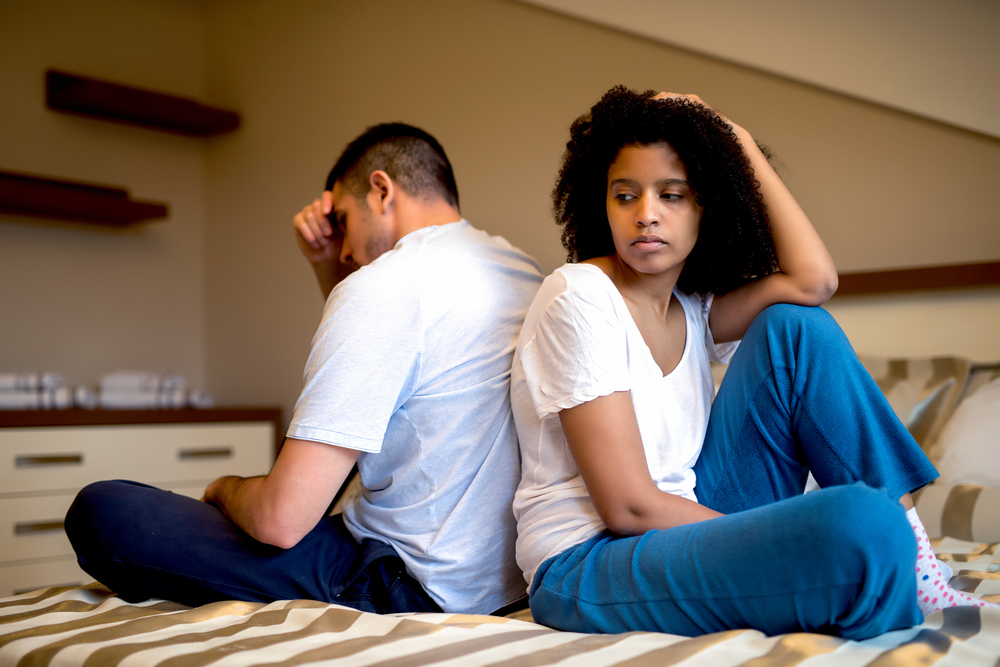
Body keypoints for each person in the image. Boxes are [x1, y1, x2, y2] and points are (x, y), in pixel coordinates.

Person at [510, 86, 996, 639]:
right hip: (588, 563)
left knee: (795, 326)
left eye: (672, 195)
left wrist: (731, 138)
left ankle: (916, 569)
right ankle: (871, 563)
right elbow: (628, 508)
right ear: (602, 205)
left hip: (687, 517)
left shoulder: (691, 309)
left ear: (707, 206)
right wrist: (774, 535)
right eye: (626, 196)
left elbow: (815, 282)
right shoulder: (578, 296)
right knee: (860, 523)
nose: (646, 215)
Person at [66, 123, 543, 616]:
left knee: (104, 509)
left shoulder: (389, 285)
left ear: (381, 191)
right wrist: (328, 272)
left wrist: (224, 488)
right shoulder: (524, 270)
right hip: (507, 583)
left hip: (405, 583)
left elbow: (281, 521)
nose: (343, 250)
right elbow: (384, 377)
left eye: (341, 219)